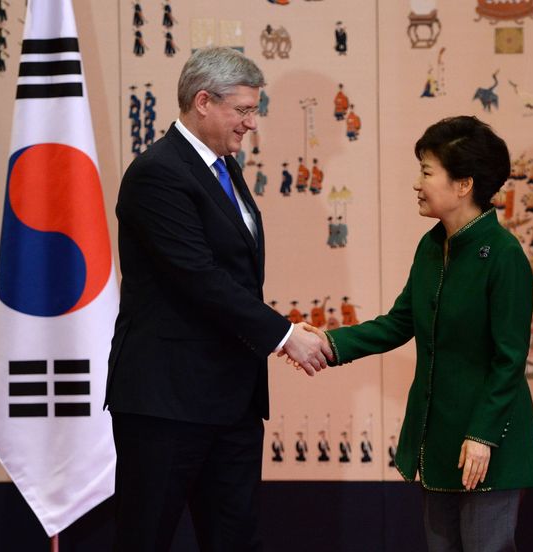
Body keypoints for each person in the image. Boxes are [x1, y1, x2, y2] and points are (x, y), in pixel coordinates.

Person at [105, 46, 332, 551]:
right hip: (166, 403)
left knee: (234, 539)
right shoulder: (157, 173)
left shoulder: (224, 167)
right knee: (144, 538)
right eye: (244, 110)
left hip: (231, 401)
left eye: (255, 110)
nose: (252, 123)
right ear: (203, 101)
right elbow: (199, 277)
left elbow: (234, 275)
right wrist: (285, 335)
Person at [317, 116, 533, 551]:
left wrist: (482, 436)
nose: (417, 183)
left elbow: (509, 359)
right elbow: (399, 323)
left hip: (487, 444)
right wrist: (329, 344)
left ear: (463, 184)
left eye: (426, 171)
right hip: (437, 439)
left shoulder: (504, 256)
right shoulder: (430, 246)